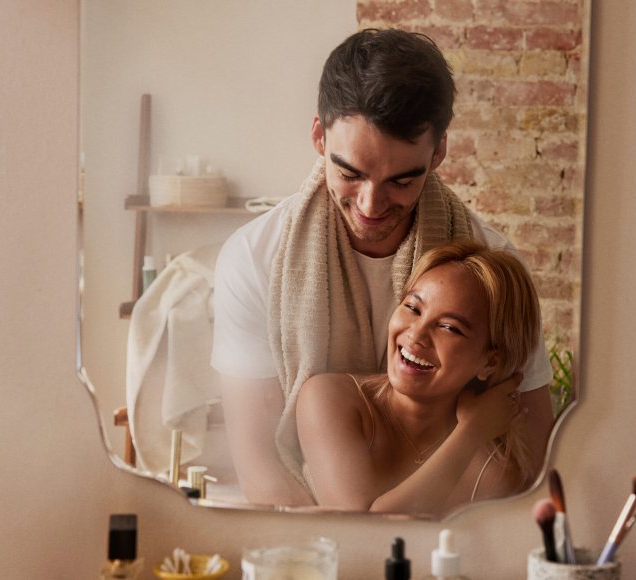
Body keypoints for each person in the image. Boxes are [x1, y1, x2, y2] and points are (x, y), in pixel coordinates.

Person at [211, 28, 554, 507]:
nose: (371, 204)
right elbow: (263, 471)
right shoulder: (254, 261)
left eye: (401, 180)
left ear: (437, 154)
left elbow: (531, 463)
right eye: (350, 174)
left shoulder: (491, 268)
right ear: (318, 135)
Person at [297, 241, 542, 516]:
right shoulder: (329, 398)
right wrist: (470, 433)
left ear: (490, 361)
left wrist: (472, 436)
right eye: (413, 308)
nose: (416, 335)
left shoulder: (493, 473)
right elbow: (361, 528)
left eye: (449, 327)